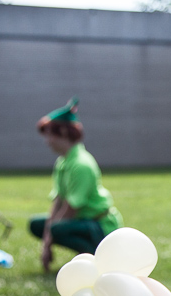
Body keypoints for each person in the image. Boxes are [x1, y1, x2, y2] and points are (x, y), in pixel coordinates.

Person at [29, 98, 122, 271]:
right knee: (37, 224)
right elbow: (58, 201)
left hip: (98, 225)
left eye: (49, 134)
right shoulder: (62, 162)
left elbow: (71, 208)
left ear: (63, 132)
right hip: (80, 221)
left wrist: (49, 238)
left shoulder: (81, 164)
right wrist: (47, 239)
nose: (47, 141)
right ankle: (86, 254)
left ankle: (96, 254)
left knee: (56, 228)